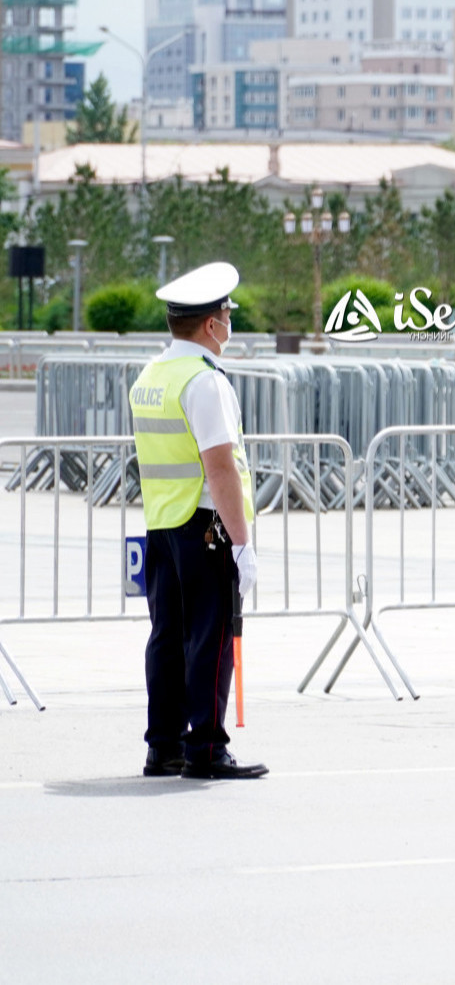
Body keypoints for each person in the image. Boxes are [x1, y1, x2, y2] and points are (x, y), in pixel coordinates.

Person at [129, 262, 266, 780]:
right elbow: (221, 467)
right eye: (227, 314)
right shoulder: (205, 382)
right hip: (206, 524)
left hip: (162, 523)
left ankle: (163, 746)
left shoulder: (151, 376)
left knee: (166, 638)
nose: (230, 322)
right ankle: (206, 748)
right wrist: (242, 542)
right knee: (209, 639)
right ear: (211, 324)